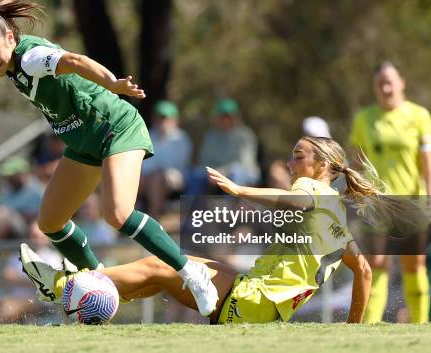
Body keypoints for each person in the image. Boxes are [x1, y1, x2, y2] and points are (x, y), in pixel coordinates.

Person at [0, 0, 218, 316]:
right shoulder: (8, 62)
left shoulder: (31, 57)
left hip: (114, 128)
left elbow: (74, 60)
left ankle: (193, 272)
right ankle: (101, 281)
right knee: (51, 221)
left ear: (9, 38)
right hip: (82, 141)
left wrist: (111, 83)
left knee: (117, 214)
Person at [22, 136, 377, 323]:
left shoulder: (310, 190)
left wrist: (241, 191)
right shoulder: (337, 219)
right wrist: (353, 327)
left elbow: (294, 200)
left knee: (159, 267)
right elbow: (363, 270)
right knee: (175, 270)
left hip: (252, 302)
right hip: (258, 302)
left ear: (324, 166)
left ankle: (62, 286)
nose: (290, 162)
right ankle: (93, 294)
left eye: (299, 156)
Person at [349, 61, 430, 323]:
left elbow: (426, 161)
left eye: (390, 81)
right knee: (378, 263)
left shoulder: (419, 116)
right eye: (380, 83)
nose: (385, 87)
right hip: (376, 204)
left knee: (413, 264)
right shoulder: (365, 118)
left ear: (401, 83)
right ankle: (370, 326)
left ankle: (420, 325)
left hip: (412, 203)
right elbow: (358, 162)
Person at [188, 98, 260, 194]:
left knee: (235, 172)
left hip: (244, 173)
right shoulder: (211, 136)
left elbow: (244, 163)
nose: (226, 120)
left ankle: (232, 208)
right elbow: (205, 161)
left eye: (229, 116)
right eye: (223, 116)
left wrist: (222, 172)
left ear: (236, 117)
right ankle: (193, 208)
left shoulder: (245, 136)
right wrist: (213, 173)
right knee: (195, 174)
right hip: (216, 174)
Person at [140, 100, 192, 217]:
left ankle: (154, 217)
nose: (162, 122)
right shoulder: (148, 135)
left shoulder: (181, 138)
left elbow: (178, 164)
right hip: (148, 176)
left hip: (175, 176)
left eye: (165, 118)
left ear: (174, 120)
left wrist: (157, 169)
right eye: (159, 117)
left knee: (157, 178)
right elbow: (144, 162)